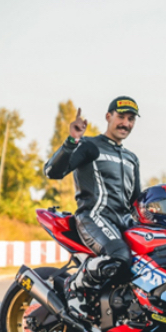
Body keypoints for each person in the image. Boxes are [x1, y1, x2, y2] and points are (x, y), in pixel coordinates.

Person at [44, 97, 141, 311]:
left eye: (131, 119)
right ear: (108, 117)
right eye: (121, 117)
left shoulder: (131, 158)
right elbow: (52, 172)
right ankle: (73, 288)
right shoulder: (89, 146)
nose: (126, 123)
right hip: (94, 217)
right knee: (119, 257)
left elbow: (137, 201)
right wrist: (72, 141)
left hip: (124, 223)